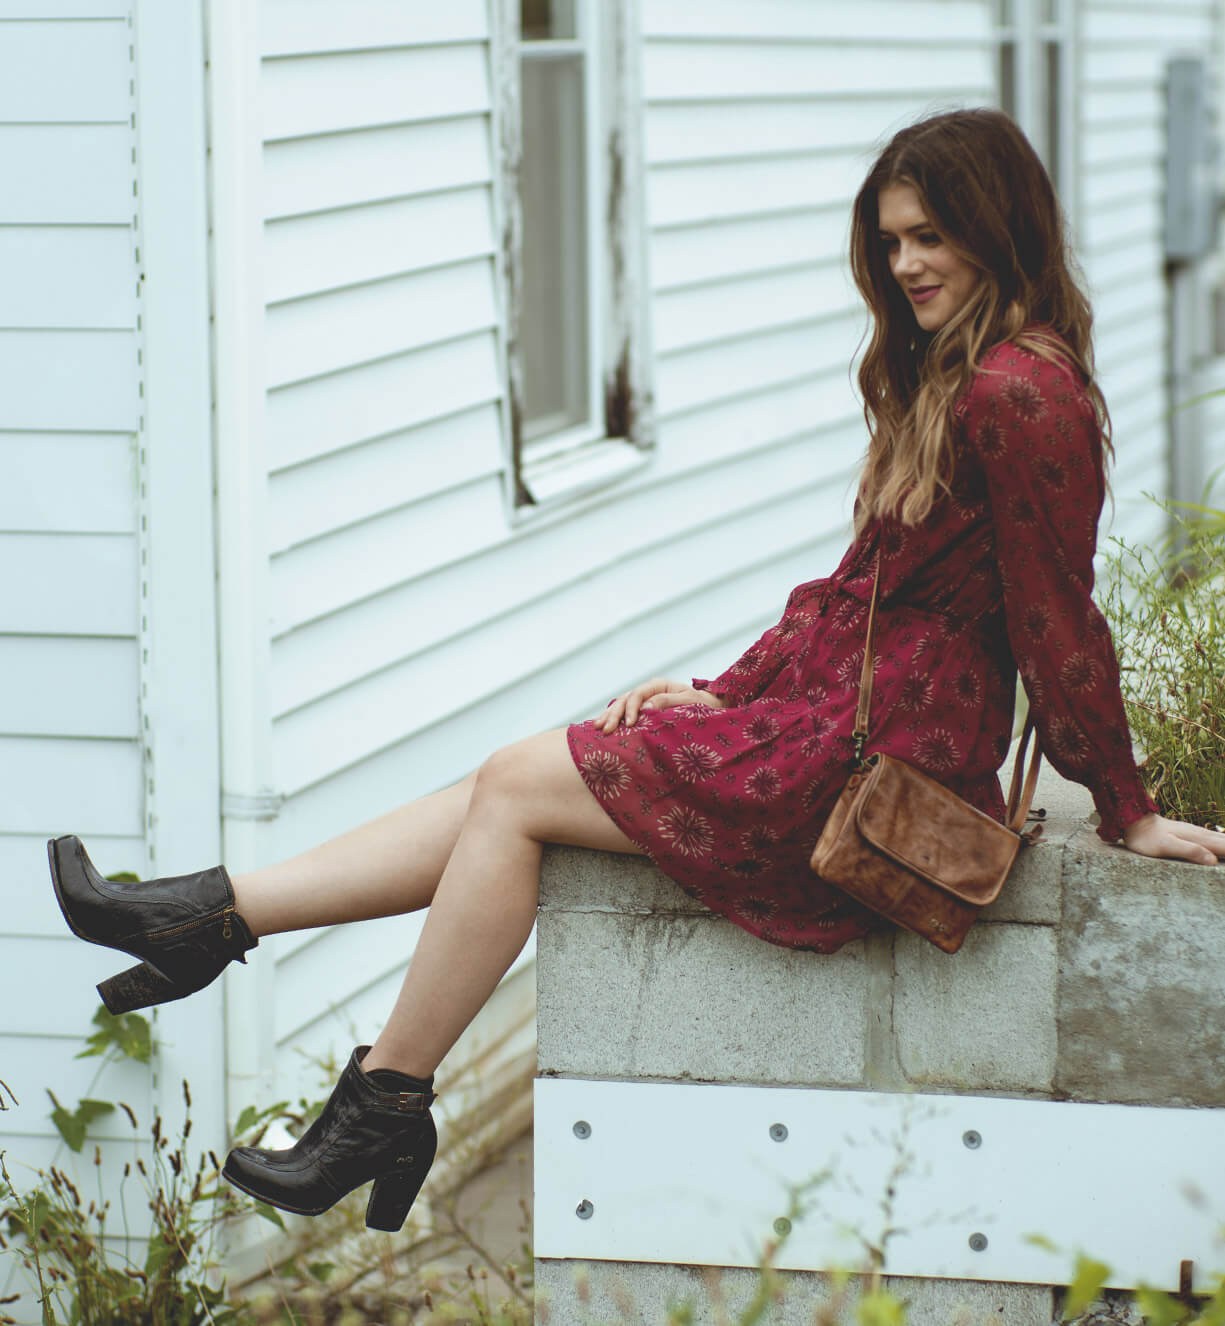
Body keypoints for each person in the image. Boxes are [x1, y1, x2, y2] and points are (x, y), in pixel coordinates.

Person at [47, 107, 1225, 1233]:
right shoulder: (952, 379)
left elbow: (1058, 622)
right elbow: (852, 593)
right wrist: (727, 690)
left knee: (515, 787)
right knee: (509, 786)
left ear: (996, 227)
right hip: (839, 725)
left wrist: (1125, 810)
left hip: (884, 771)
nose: (906, 265)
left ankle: (351, 1070)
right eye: (891, 241)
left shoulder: (1023, 392)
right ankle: (226, 936)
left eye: (930, 236)